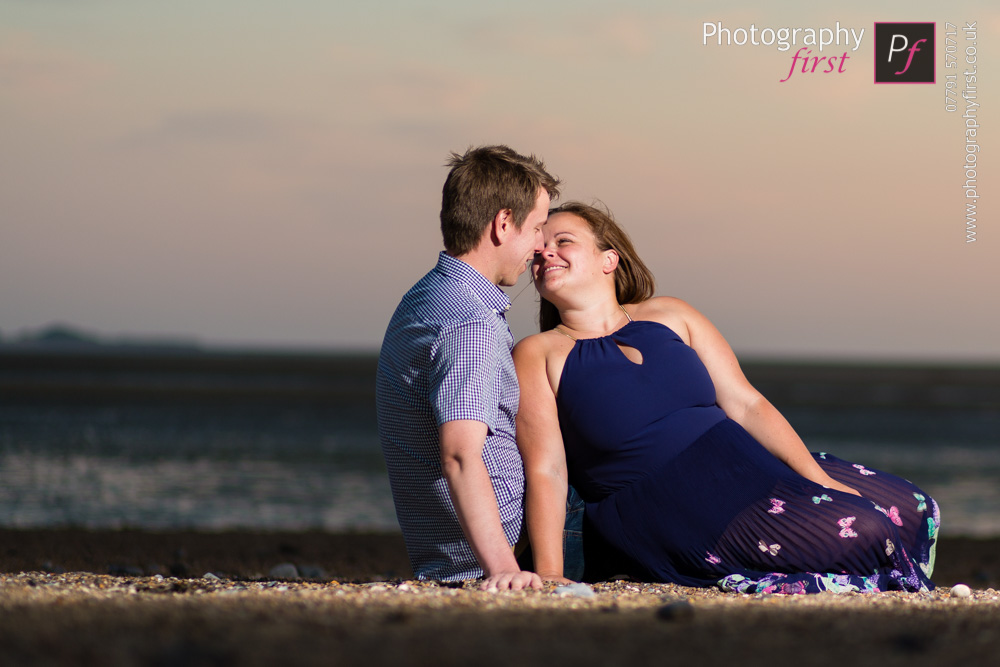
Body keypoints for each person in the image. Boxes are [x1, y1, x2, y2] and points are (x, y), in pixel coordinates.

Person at [513, 201, 940, 593]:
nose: (546, 253)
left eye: (563, 242)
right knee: (867, 532)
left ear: (610, 259)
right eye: (537, 251)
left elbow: (746, 403)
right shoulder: (539, 353)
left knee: (913, 507)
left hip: (744, 464)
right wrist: (550, 572)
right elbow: (547, 467)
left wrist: (819, 479)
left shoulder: (671, 313)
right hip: (674, 501)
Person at [376, 145, 562, 590]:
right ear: (503, 224)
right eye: (537, 227)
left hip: (446, 553)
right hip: (508, 547)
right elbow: (460, 453)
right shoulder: (471, 325)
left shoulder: (423, 298)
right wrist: (504, 568)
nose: (540, 245)